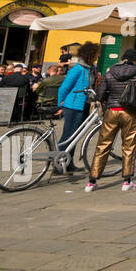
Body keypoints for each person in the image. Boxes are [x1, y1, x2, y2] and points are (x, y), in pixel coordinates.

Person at [85, 49, 136, 192]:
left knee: (103, 145)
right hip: (130, 113)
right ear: (134, 60)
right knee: (129, 146)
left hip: (112, 111)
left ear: (122, 59)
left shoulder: (110, 72)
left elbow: (101, 95)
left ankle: (92, 181)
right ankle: (127, 181)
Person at [56, 42, 99, 174]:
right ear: (90, 54)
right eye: (97, 53)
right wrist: (60, 104)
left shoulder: (91, 68)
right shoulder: (78, 69)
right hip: (73, 106)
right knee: (68, 135)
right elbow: (64, 87)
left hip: (84, 105)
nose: (98, 56)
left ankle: (68, 163)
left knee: (75, 136)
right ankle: (58, 165)